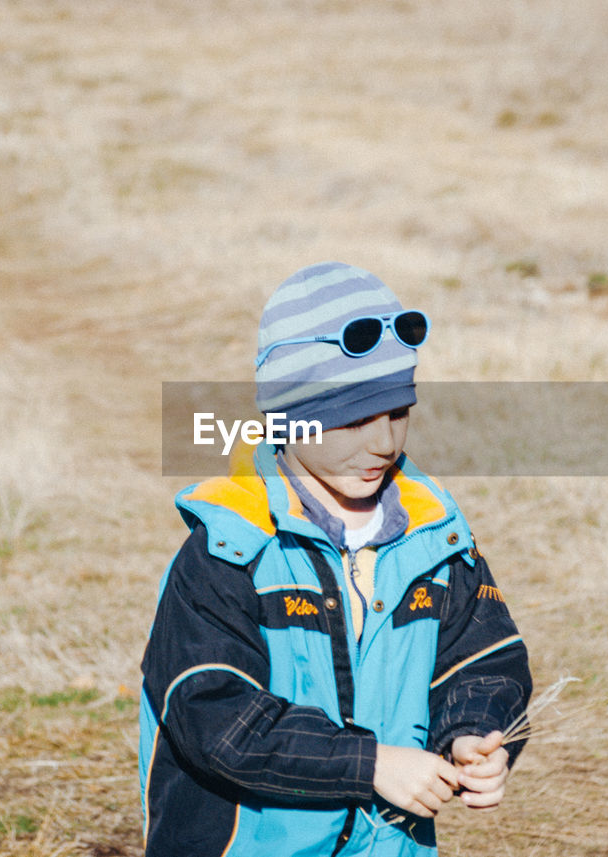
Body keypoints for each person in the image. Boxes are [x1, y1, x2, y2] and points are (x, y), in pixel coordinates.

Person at [138, 262, 532, 856]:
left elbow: (483, 662)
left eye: (398, 412)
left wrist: (475, 734)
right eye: (354, 419)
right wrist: (369, 764)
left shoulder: (438, 538)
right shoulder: (227, 552)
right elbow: (214, 717)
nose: (384, 443)